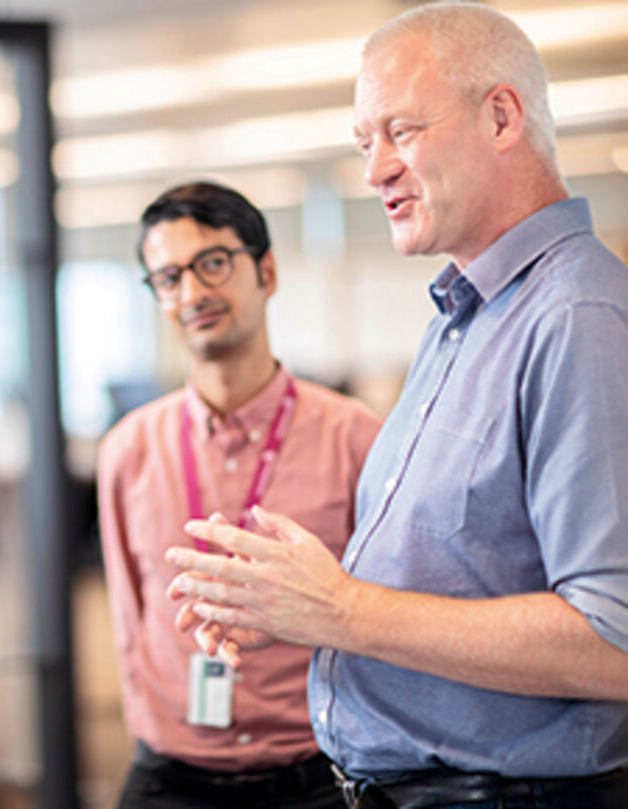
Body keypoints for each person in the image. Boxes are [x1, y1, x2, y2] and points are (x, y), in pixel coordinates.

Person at [165, 4, 628, 809]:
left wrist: (342, 608)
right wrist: (292, 601)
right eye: (363, 142)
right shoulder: (464, 318)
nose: (375, 169)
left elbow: (613, 639)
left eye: (401, 130)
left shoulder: (576, 317)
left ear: (501, 115)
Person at [97, 181, 380, 809]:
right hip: (171, 779)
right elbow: (127, 624)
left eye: (213, 263)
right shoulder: (127, 450)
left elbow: (382, 613)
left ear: (267, 271)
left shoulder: (354, 436)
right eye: (168, 277)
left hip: (318, 776)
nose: (193, 292)